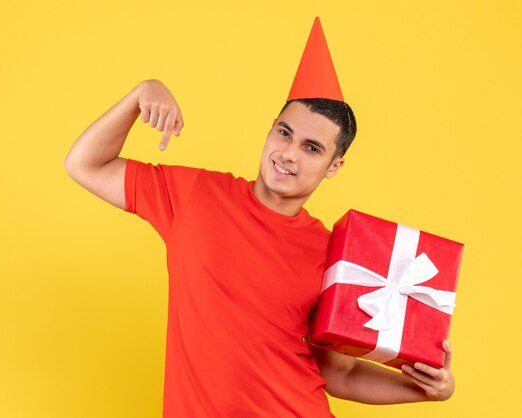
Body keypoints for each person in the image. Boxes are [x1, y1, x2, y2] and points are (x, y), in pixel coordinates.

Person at [64, 19, 455, 418]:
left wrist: (426, 389)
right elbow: (85, 165)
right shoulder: (195, 195)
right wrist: (140, 93)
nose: (288, 154)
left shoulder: (335, 253)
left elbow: (340, 375)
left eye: (311, 148)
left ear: (333, 166)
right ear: (270, 130)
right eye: (284, 134)